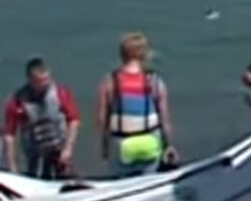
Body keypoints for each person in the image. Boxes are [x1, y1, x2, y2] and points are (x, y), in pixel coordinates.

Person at [96, 33, 179, 178]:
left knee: (122, 185)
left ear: (122, 54)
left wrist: (104, 147)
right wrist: (169, 146)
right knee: (149, 182)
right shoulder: (154, 81)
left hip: (121, 144)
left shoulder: (110, 81)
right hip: (150, 142)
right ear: (144, 55)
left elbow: (102, 119)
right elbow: (164, 119)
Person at [2, 58, 81, 179]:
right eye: (40, 81)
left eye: (47, 79)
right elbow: (9, 135)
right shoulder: (17, 101)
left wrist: (68, 148)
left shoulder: (61, 93)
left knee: (67, 178)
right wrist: (11, 166)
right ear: (30, 80)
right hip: (34, 153)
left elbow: (73, 121)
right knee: (36, 178)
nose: (45, 83)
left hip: (58, 149)